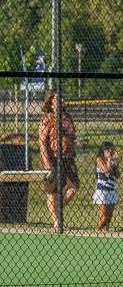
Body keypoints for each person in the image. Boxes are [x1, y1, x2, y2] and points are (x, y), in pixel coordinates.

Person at [38, 91, 79, 230]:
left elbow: (71, 136)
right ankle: (56, 221)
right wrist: (47, 162)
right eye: (57, 98)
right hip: (53, 158)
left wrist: (75, 143)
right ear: (50, 102)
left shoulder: (67, 117)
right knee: (53, 191)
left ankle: (57, 208)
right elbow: (42, 142)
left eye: (62, 97)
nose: (61, 99)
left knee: (74, 187)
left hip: (68, 158)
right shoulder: (47, 118)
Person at [93, 141, 119, 231]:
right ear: (104, 151)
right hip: (102, 191)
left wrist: (115, 165)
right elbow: (107, 172)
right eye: (108, 151)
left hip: (111, 190)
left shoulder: (113, 161)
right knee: (103, 217)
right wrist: (109, 160)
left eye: (112, 151)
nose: (110, 153)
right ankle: (96, 232)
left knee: (108, 220)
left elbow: (118, 175)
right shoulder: (99, 159)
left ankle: (105, 234)